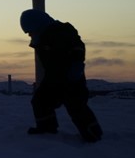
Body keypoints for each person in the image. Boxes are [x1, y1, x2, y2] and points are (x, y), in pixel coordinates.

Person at [20, 9, 103, 142]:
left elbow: (78, 46)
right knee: (40, 101)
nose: (29, 34)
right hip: (53, 77)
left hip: (71, 77)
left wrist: (76, 63)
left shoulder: (63, 30)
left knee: (76, 106)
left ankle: (93, 135)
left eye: (30, 30)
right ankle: (46, 128)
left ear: (38, 25)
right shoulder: (41, 38)